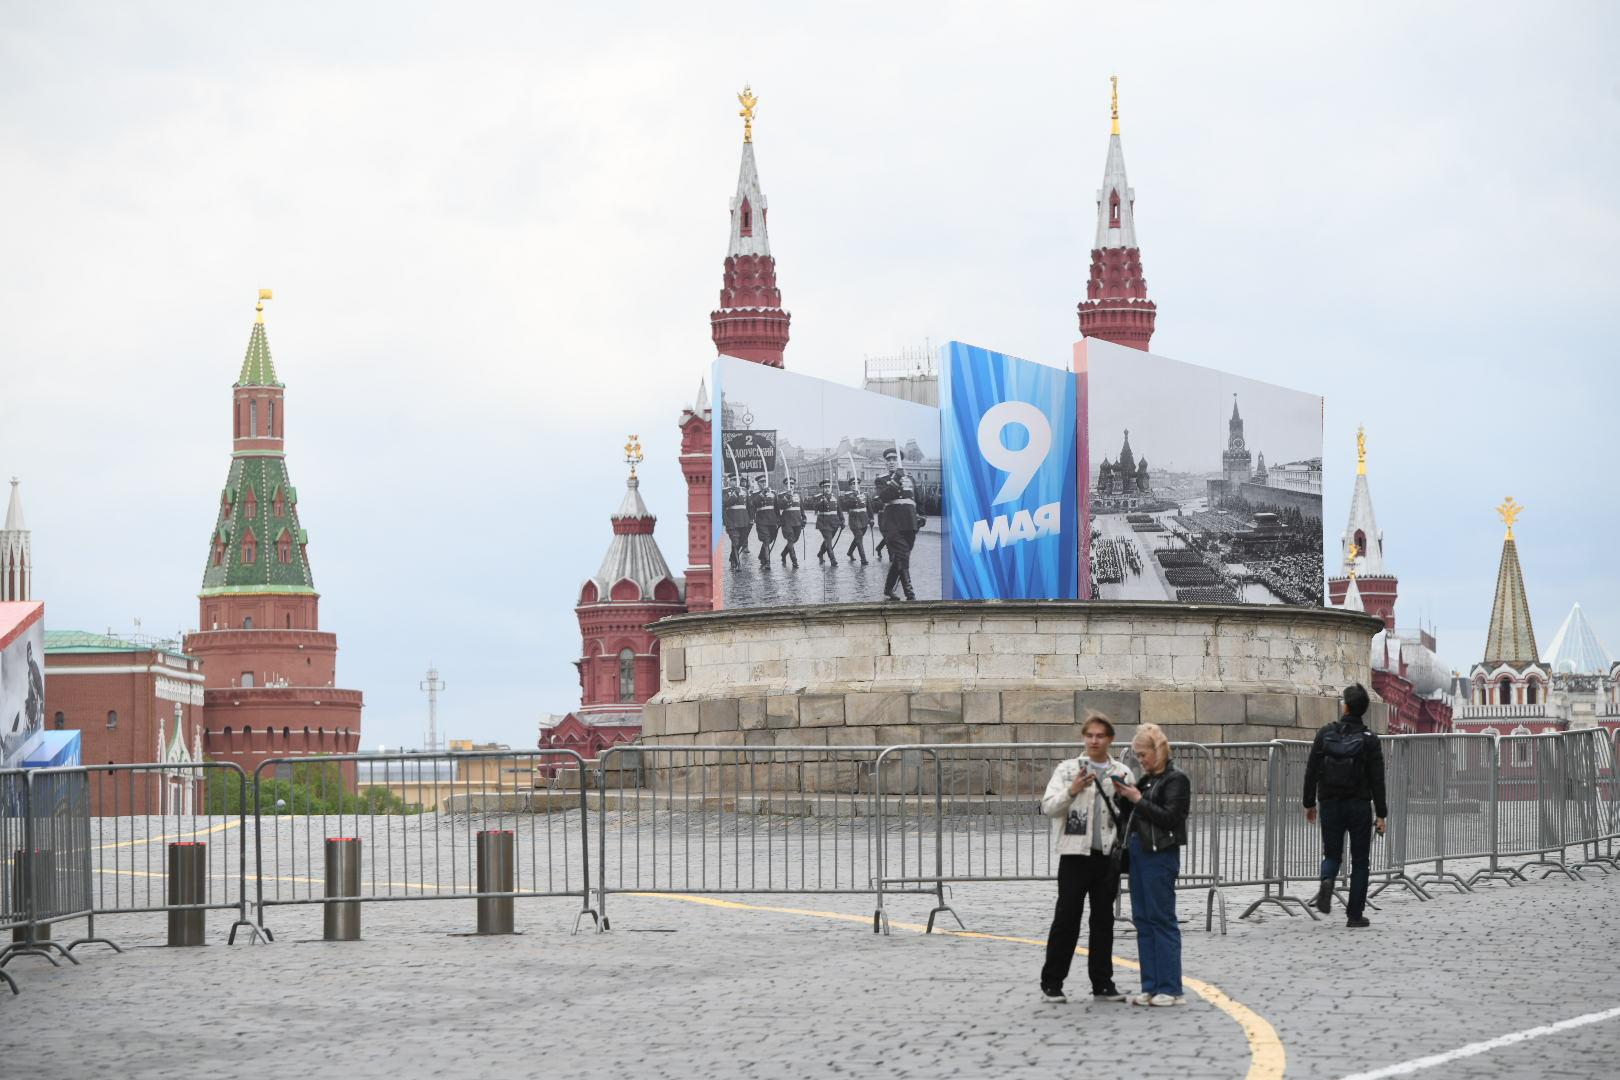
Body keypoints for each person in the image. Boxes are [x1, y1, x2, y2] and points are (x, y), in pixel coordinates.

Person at [1038, 713, 1134, 1004]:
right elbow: (1048, 807)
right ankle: (1052, 983)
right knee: (1066, 919)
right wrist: (1073, 790)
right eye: (1090, 735)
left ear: (1110, 739)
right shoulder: (1068, 769)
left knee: (1103, 921)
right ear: (1083, 737)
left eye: (1100, 736)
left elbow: (1130, 816)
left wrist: (1126, 797)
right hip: (1074, 854)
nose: (1094, 741)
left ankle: (1103, 983)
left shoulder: (1122, 772)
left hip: (1107, 856)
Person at [1114, 722, 1189, 1006]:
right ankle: (1150, 985)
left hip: (1161, 854)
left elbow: (1170, 817)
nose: (1140, 760)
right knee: (1143, 920)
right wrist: (1123, 797)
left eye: (1143, 755)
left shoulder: (1176, 780)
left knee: (1162, 919)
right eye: (1137, 755)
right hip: (1139, 852)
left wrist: (1136, 798)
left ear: (1157, 752)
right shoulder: (1145, 781)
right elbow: (1130, 816)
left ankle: (1171, 988)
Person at [1303, 683, 1388, 928]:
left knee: (1331, 854)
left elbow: (1312, 770)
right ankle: (1354, 915)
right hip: (1359, 805)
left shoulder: (1325, 734)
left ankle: (1327, 878)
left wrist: (1309, 802)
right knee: (1360, 861)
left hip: (1329, 803)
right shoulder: (1370, 740)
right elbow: (1377, 779)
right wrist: (1381, 814)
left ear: (1346, 706)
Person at [876, 447, 922, 600]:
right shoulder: (881, 479)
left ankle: (888, 589)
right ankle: (910, 593)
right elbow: (884, 497)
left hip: (910, 522)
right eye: (888, 460)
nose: (891, 462)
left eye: (894, 459)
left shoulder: (910, 478)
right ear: (885, 462)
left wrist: (922, 515)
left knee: (900, 558)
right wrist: (895, 480)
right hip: (891, 523)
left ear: (900, 461)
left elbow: (918, 498)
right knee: (902, 554)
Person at [747, 475, 779, 569]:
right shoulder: (755, 494)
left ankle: (762, 556)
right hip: (762, 521)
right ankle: (768, 562)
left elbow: (776, 507)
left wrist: (779, 519)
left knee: (770, 540)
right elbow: (754, 504)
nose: (764, 484)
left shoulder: (773, 493)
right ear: (758, 483)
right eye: (761, 482)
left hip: (772, 521)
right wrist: (762, 494)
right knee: (766, 540)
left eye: (765, 482)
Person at [810, 479, 844, 566]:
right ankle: (833, 560)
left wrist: (842, 520)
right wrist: (822, 502)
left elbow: (839, 510)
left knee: (827, 541)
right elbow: (815, 507)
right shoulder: (818, 497)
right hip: (823, 523)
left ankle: (820, 553)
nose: (827, 489)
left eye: (828, 487)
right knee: (828, 541)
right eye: (825, 487)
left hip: (834, 523)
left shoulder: (835, 497)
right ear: (821, 489)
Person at [721, 476, 752, 570]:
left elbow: (749, 505)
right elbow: (725, 503)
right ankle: (737, 564)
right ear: (729, 481)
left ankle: (732, 558)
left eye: (736, 480)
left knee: (741, 541)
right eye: (732, 480)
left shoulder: (744, 490)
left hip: (744, 519)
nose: (734, 482)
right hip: (731, 520)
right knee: (735, 541)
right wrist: (735, 494)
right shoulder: (725, 491)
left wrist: (751, 518)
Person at [776, 479, 805, 569]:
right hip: (787, 521)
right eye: (788, 484)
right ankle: (794, 560)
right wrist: (786, 498)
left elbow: (801, 508)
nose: (790, 486)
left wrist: (804, 519)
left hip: (797, 521)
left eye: (792, 484)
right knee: (790, 540)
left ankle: (784, 553)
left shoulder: (798, 495)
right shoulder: (781, 495)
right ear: (785, 486)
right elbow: (779, 506)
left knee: (794, 540)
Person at [841, 479, 871, 565]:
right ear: (850, 486)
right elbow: (846, 505)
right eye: (853, 484)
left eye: (857, 483)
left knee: (858, 539)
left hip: (864, 519)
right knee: (859, 538)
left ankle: (850, 552)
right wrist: (854, 498)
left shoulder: (865, 494)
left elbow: (869, 507)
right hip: (854, 520)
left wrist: (871, 518)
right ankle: (863, 559)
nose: (856, 485)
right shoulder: (847, 495)